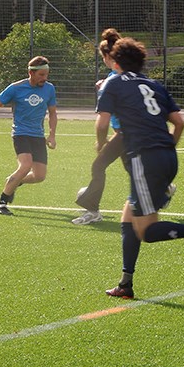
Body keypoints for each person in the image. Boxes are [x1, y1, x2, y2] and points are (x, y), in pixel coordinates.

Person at [95, 37, 184, 299]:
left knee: (146, 232)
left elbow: (101, 124)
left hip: (143, 159)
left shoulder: (113, 82)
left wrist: (100, 146)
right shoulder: (155, 85)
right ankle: (125, 283)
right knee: (128, 219)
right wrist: (166, 149)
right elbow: (179, 123)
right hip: (167, 157)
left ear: (115, 61)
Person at [0, 55, 58, 215]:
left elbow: (53, 113)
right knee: (25, 165)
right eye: (41, 75)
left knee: (39, 176)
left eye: (46, 74)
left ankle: (14, 182)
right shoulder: (16, 88)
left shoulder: (49, 88)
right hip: (21, 133)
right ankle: (1, 203)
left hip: (38, 136)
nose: (44, 78)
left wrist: (52, 135)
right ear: (31, 73)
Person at [71, 29, 126, 224]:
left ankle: (92, 210)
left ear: (106, 56)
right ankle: (162, 187)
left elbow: (102, 121)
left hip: (124, 133)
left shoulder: (111, 81)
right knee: (136, 169)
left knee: (98, 166)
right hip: (140, 131)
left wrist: (100, 142)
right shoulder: (131, 74)